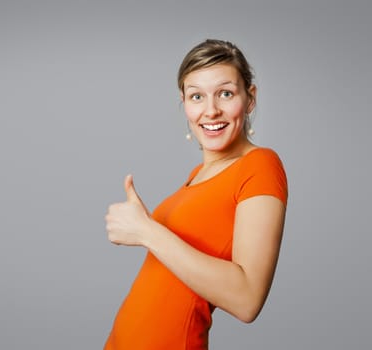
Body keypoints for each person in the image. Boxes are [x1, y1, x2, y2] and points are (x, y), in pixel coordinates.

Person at [104, 39, 288, 349]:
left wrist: (147, 231)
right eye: (197, 96)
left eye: (225, 94)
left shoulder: (260, 165)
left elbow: (247, 300)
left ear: (250, 98)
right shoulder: (196, 176)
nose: (211, 110)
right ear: (185, 103)